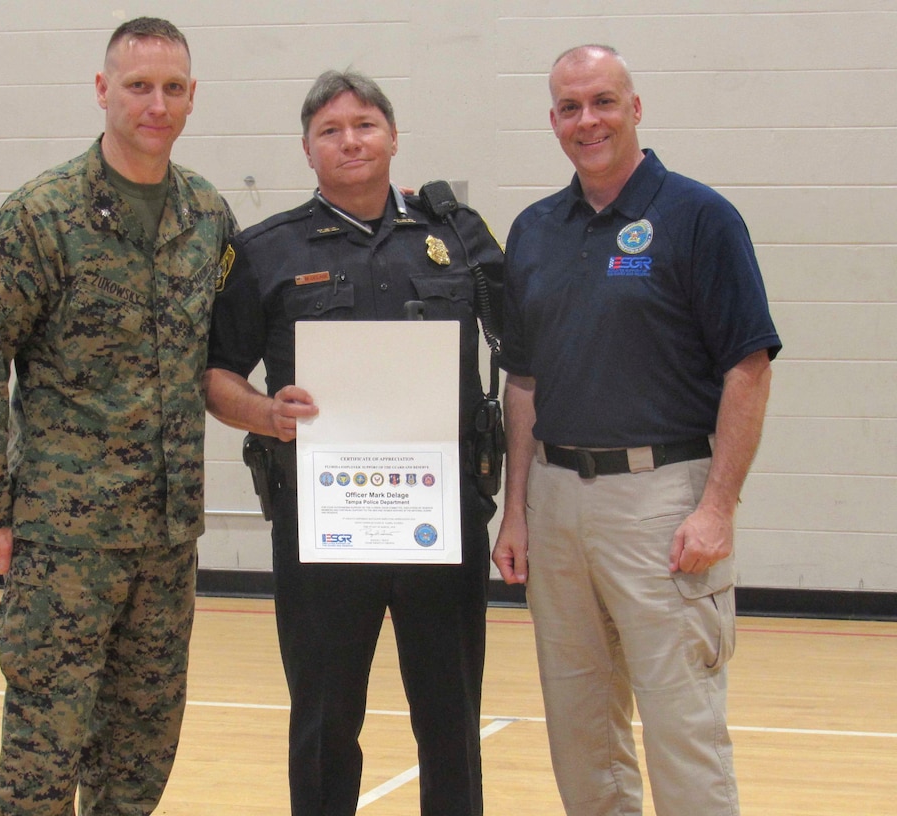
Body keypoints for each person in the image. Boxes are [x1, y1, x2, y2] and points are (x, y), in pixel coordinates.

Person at [0, 17, 236, 815]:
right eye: (138, 86)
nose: (155, 104)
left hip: (168, 542)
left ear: (193, 97)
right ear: (103, 91)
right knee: (44, 752)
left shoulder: (206, 216)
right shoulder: (43, 215)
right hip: (67, 542)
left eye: (172, 88)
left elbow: (230, 350)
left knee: (141, 751)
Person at [491, 44, 781, 816]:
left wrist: (717, 508)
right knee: (580, 731)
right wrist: (516, 509)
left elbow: (748, 369)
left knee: (682, 730)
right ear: (552, 120)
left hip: (662, 502)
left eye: (603, 102)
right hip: (554, 502)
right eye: (570, 107)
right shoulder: (535, 230)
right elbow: (523, 381)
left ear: (635, 107)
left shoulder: (699, 217)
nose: (587, 121)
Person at [204, 70, 503, 816]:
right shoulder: (267, 251)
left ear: (394, 136)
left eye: (365, 124)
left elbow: (524, 347)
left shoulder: (455, 236)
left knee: (451, 719)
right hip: (323, 525)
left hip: (440, 519)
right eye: (330, 131)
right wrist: (266, 412)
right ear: (306, 151)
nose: (350, 141)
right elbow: (213, 376)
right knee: (325, 721)